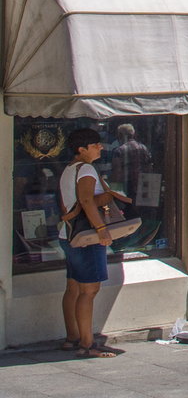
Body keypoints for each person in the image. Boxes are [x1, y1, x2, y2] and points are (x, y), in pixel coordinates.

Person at [58, 128, 124, 357]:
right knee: (89, 290)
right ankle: (87, 344)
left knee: (73, 287)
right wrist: (102, 229)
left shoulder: (69, 169)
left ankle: (72, 337)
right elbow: (86, 200)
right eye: (95, 144)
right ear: (82, 149)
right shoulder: (86, 169)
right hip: (87, 236)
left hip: (69, 235)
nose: (100, 147)